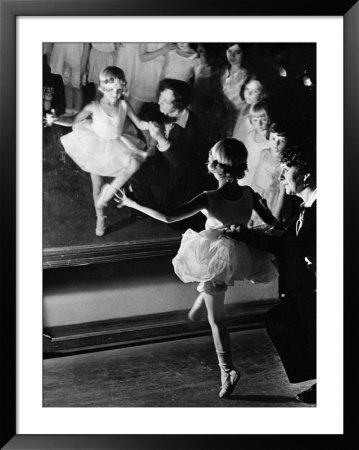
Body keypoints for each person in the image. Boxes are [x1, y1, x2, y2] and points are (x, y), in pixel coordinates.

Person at [115, 138, 279, 398]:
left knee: (217, 321)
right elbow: (272, 223)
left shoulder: (209, 197)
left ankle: (228, 370)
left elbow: (169, 217)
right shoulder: (249, 194)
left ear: (214, 166)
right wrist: (255, 221)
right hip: (236, 253)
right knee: (211, 287)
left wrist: (133, 204)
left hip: (218, 257)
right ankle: (198, 306)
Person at [226, 144, 317, 404]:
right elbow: (287, 241)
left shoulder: (322, 207)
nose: (280, 178)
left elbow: (291, 246)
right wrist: (245, 234)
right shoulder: (306, 207)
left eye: (286, 171)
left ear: (306, 176)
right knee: (284, 318)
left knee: (286, 319)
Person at [44, 66, 150, 237]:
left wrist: (150, 125)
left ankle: (110, 193)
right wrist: (56, 119)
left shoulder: (123, 104)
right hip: (96, 146)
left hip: (118, 144)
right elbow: (73, 120)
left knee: (133, 164)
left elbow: (139, 123)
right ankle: (100, 216)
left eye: (119, 90)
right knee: (97, 186)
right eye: (111, 91)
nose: (116, 94)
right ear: (102, 89)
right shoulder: (94, 107)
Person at [134, 78, 210, 209]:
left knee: (174, 221)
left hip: (182, 174)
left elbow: (181, 165)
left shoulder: (192, 129)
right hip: (160, 161)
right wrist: (150, 140)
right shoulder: (161, 110)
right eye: (160, 97)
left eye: (165, 101)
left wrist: (161, 139)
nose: (159, 102)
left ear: (179, 106)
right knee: (132, 171)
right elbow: (144, 114)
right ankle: (145, 208)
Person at [250, 122, 288, 225]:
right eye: (273, 139)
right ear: (269, 137)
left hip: (272, 200)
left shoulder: (285, 163)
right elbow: (255, 179)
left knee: (267, 227)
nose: (276, 145)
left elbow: (282, 192)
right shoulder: (263, 153)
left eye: (282, 141)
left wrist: (276, 214)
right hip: (258, 195)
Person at [49, 43, 90, 116]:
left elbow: (87, 45)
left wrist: (83, 64)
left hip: (78, 57)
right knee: (67, 85)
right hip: (63, 57)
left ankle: (77, 113)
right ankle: (68, 111)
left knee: (77, 86)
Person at [220, 43, 249, 135]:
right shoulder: (222, 72)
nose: (232, 56)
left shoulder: (247, 75)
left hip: (241, 119)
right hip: (224, 119)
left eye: (237, 52)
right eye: (229, 51)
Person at [242, 101, 272, 187]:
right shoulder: (250, 136)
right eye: (255, 120)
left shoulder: (271, 138)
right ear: (251, 121)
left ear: (269, 119)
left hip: (263, 175)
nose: (259, 124)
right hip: (248, 172)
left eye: (263, 120)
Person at [232, 73, 267, 144]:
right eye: (247, 89)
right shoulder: (245, 105)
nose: (249, 94)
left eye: (255, 91)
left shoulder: (260, 112)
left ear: (262, 94)